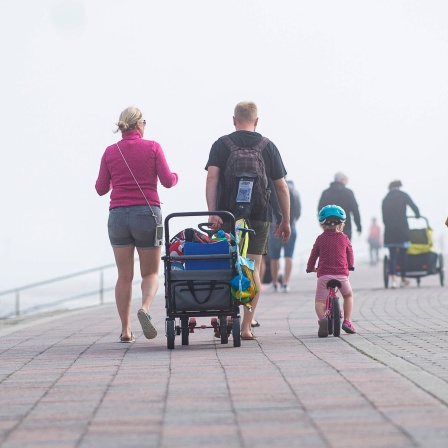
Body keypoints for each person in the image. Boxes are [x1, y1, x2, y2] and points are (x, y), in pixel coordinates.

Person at [205, 101, 291, 340]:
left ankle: (227, 314)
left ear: (234, 120)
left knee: (228, 262)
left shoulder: (221, 144)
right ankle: (246, 326)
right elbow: (281, 187)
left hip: (228, 215)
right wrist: (285, 220)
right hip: (260, 215)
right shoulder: (267, 146)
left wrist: (213, 213)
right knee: (253, 265)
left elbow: (212, 178)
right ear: (257, 121)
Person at [95, 106, 178, 343]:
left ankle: (125, 330)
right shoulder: (152, 147)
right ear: (139, 124)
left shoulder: (110, 152)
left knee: (124, 276)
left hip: (118, 216)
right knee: (150, 272)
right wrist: (175, 176)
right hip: (147, 214)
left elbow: (101, 189)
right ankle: (145, 309)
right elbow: (167, 181)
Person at [306, 205, 356, 338]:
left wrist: (310, 267)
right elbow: (350, 253)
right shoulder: (344, 238)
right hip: (341, 276)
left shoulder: (320, 239)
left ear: (322, 224)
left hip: (324, 276)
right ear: (341, 224)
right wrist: (350, 265)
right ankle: (347, 321)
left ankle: (322, 317)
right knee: (348, 295)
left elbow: (313, 255)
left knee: (320, 301)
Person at [382, 180, 420, 288]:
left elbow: (384, 217)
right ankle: (403, 278)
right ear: (399, 186)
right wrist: (417, 215)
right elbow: (414, 207)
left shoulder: (385, 199)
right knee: (403, 255)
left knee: (392, 255)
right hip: (402, 230)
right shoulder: (403, 195)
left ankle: (394, 279)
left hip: (390, 231)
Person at [268, 179, 301, 293]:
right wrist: (291, 221)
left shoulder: (272, 189)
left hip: (274, 226)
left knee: (274, 257)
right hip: (291, 225)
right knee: (289, 256)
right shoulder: (294, 192)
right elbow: (298, 211)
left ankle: (275, 283)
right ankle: (286, 283)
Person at [318, 172, 362, 240]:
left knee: (330, 249)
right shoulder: (348, 193)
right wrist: (359, 226)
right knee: (345, 249)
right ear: (341, 179)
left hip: (329, 228)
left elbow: (320, 210)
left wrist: (323, 224)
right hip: (345, 227)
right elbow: (355, 210)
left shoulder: (326, 193)